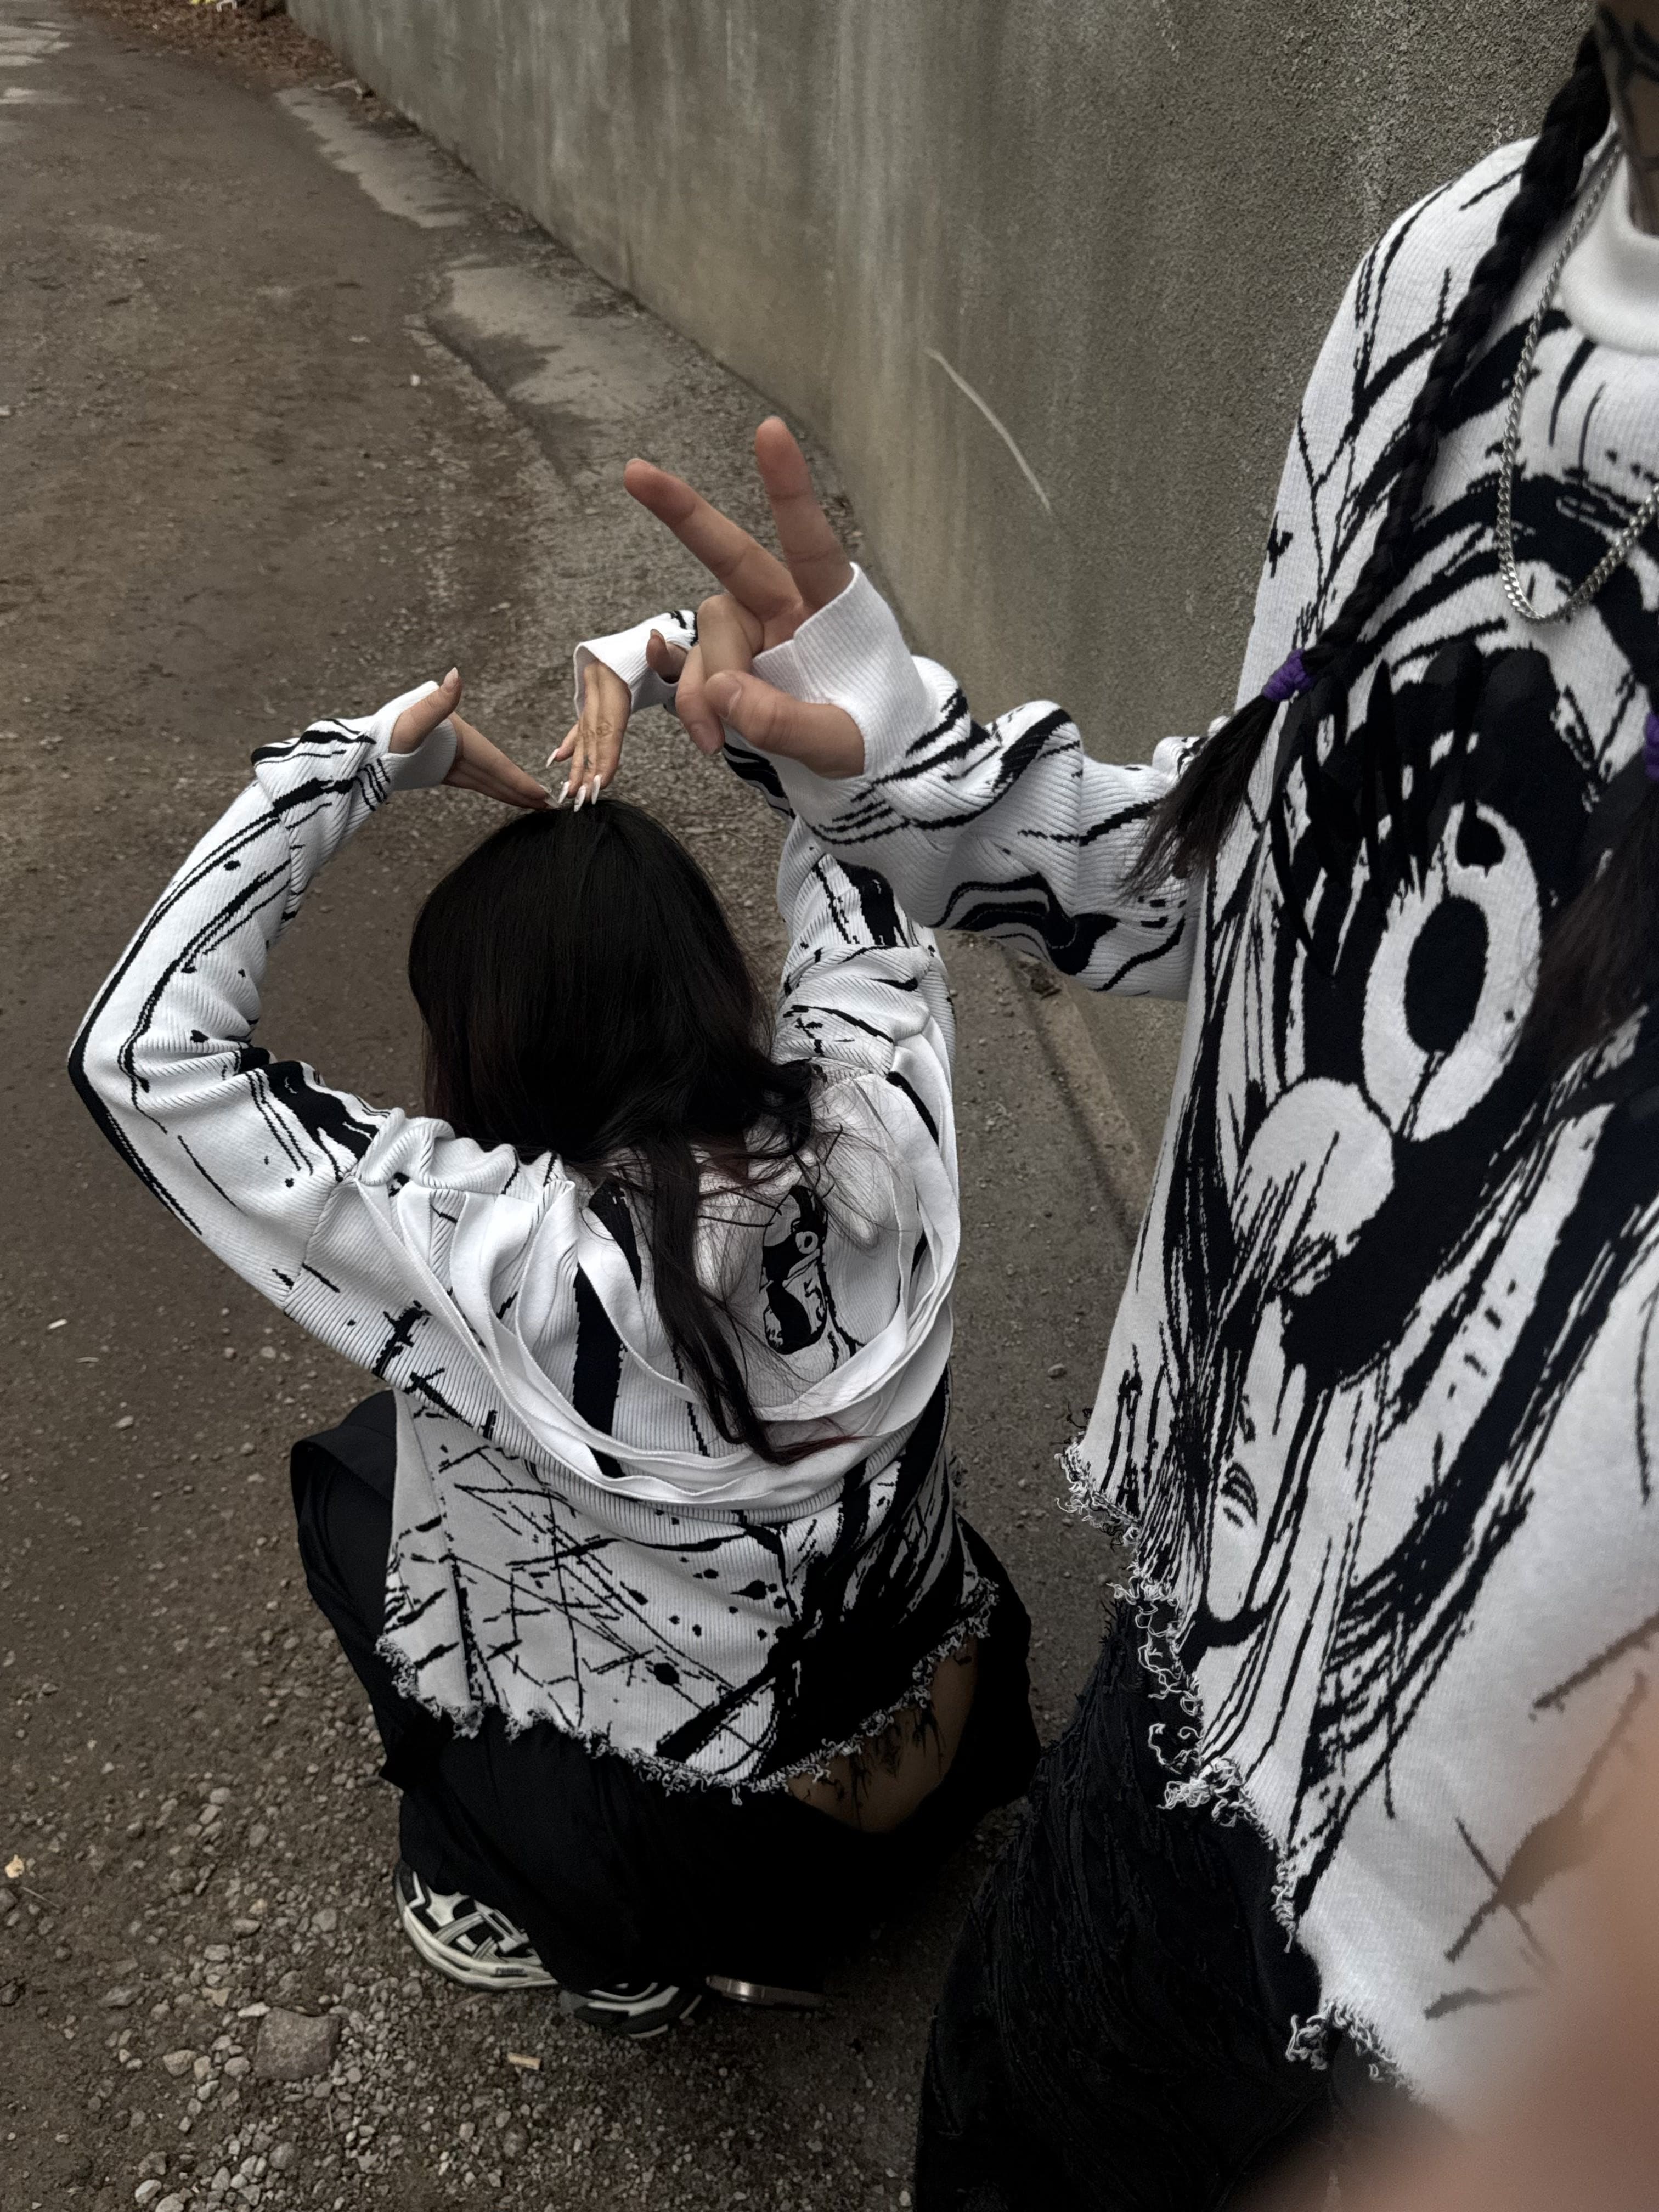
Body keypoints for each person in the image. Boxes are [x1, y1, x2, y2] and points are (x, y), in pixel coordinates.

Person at [568, 7, 1659, 2190]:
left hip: (1537, 2010)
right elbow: (1268, 891)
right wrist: (908, 766)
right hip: (1201, 1676)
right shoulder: (1457, 273)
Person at [70, 668, 1037, 2035]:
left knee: (357, 1485)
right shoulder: (879, 1115)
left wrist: (352, 766)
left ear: (490, 1051)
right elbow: (869, 814)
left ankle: (602, 1949)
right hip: (969, 1723)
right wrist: (710, 676)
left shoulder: (507, 1267)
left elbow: (139, 1054)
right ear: (709, 980)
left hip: (728, 1874)